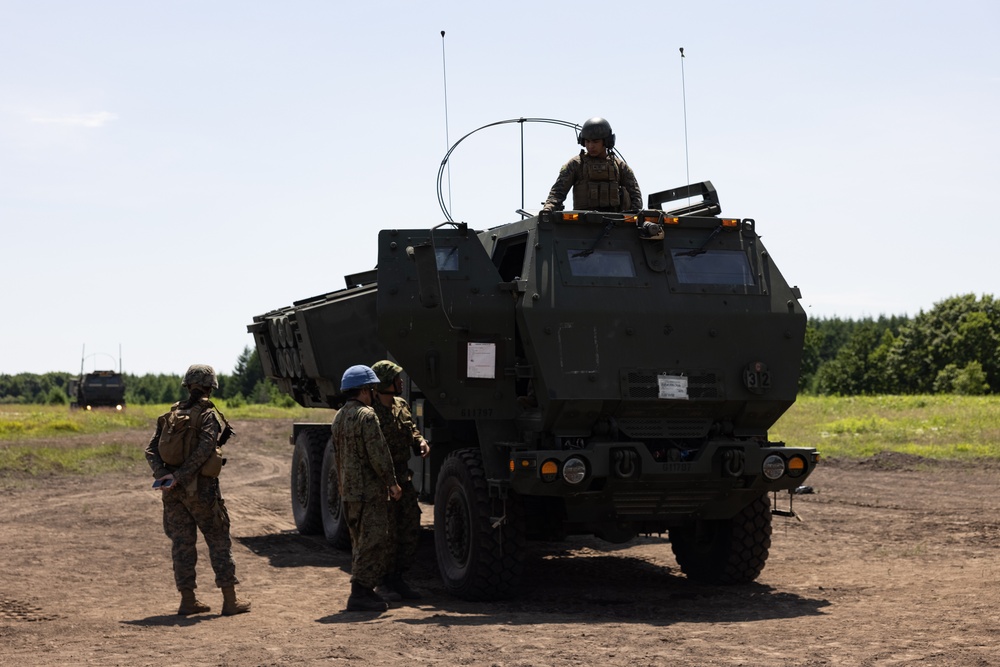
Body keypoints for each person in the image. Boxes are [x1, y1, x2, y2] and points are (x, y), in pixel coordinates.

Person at [145, 364, 251, 616]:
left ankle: (188, 600)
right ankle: (229, 600)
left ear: (187, 385)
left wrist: (164, 476)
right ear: (210, 387)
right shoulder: (206, 416)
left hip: (171, 490)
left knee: (182, 543)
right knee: (218, 539)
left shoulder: (169, 415)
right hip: (200, 489)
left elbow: (150, 450)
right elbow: (205, 450)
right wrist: (182, 476)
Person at [332, 364, 403, 612]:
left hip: (349, 491)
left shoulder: (339, 416)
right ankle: (359, 594)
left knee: (359, 542)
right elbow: (379, 454)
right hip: (369, 491)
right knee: (373, 541)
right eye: (372, 389)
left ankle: (366, 591)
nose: (373, 394)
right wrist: (391, 483)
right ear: (365, 390)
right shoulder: (367, 416)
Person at [370, 360, 431, 601]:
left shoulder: (401, 405)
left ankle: (398, 578)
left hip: (403, 479)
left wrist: (421, 441)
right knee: (387, 533)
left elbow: (411, 430)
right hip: (381, 480)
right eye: (396, 378)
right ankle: (383, 582)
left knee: (410, 526)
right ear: (385, 382)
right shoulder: (370, 412)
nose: (401, 381)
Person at [541, 117, 642, 213]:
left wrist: (632, 219)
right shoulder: (576, 164)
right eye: (587, 141)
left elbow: (635, 195)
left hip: (614, 223)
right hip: (583, 224)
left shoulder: (619, 166)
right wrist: (548, 209)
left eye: (595, 141)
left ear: (606, 141)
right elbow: (557, 193)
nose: (590, 146)